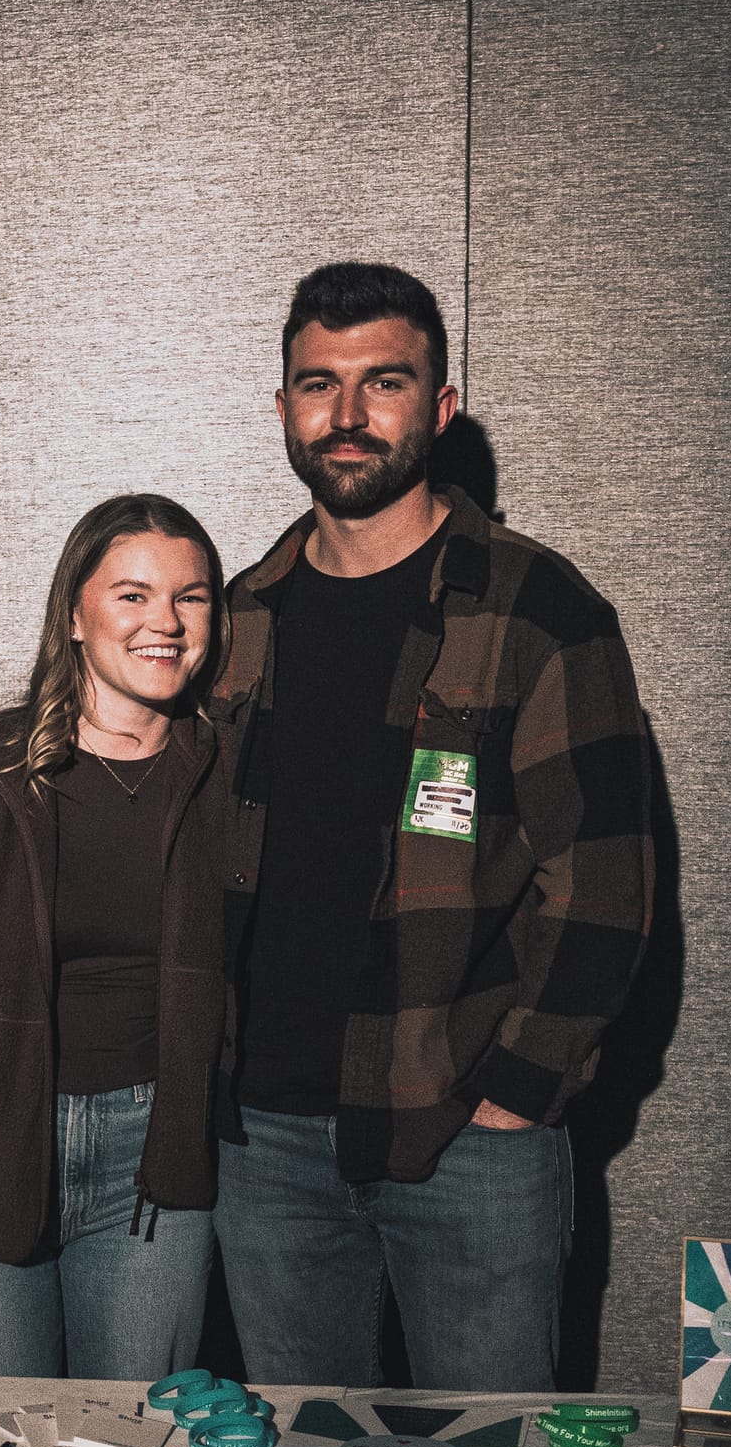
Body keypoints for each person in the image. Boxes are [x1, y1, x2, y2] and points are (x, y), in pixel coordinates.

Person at [210, 262, 654, 1389]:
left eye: (385, 382)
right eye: (319, 384)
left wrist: (517, 1094)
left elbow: (605, 883)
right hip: (263, 1144)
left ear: (440, 408)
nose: (347, 415)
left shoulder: (536, 609)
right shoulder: (240, 617)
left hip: (461, 1135)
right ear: (281, 408)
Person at [0, 495, 231, 1379]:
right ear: (75, 616)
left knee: (134, 1443)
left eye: (190, 597)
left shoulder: (228, 773)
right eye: (132, 595)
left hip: (156, 1167)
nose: (165, 622)